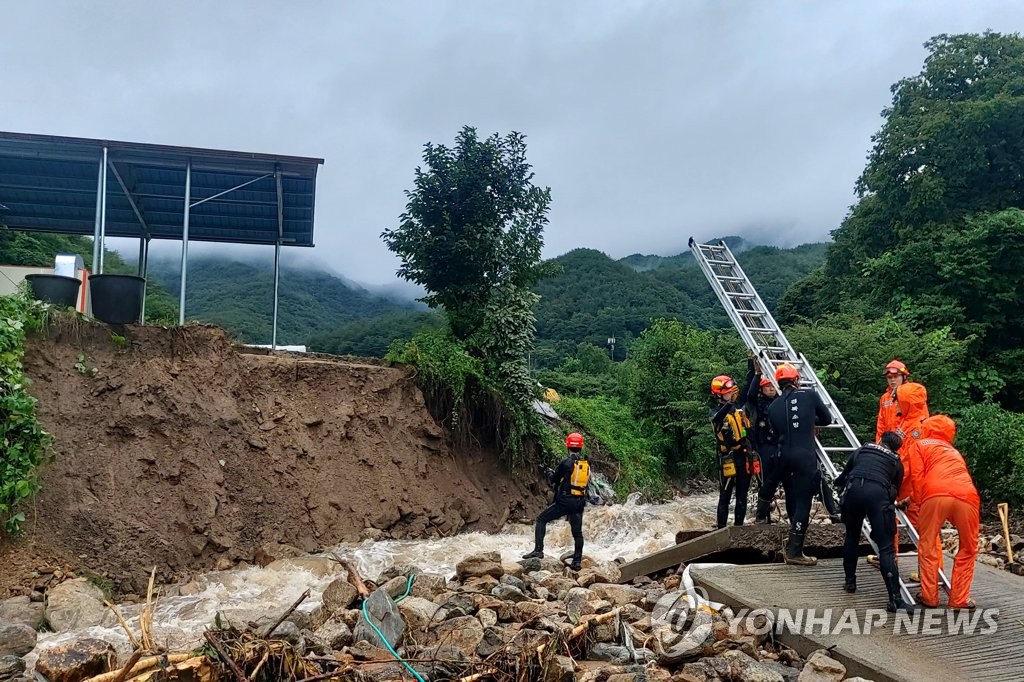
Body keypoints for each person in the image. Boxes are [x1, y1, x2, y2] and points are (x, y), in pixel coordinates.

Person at [756, 363, 833, 565]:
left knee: (773, 481)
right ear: (797, 380)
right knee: (803, 501)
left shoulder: (773, 406)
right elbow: (826, 419)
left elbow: (775, 428)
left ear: (779, 383)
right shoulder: (810, 395)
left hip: (782, 454)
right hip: (804, 456)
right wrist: (808, 420)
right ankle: (794, 551)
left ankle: (760, 512)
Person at [834, 431, 914, 613]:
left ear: (880, 440)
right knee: (886, 548)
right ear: (896, 448)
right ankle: (895, 600)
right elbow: (894, 492)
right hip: (877, 495)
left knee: (852, 536)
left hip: (854, 491)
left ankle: (850, 582)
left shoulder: (862, 450)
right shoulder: (896, 462)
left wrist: (838, 486)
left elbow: (844, 476)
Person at [914, 415, 980, 610]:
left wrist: (918, 502)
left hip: (935, 494)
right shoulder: (954, 451)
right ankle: (959, 600)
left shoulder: (920, 444)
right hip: (967, 495)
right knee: (968, 549)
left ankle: (930, 597)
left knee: (927, 545)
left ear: (927, 428)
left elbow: (917, 477)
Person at [523, 432, 592, 570]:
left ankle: (538, 550)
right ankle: (577, 561)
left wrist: (548, 473)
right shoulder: (585, 464)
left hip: (565, 501)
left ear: (568, 446)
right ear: (581, 447)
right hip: (579, 501)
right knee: (577, 533)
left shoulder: (566, 462)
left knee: (541, 519)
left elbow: (553, 479)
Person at [743, 354, 786, 521]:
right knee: (765, 482)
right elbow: (750, 394)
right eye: (767, 386)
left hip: (779, 445)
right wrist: (757, 374)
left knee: (785, 479)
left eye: (772, 385)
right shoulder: (757, 403)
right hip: (764, 447)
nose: (770, 388)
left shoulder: (780, 400)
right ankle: (764, 516)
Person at [710, 374, 752, 528]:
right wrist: (729, 403)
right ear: (719, 393)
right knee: (725, 495)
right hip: (727, 457)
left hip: (742, 455)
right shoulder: (715, 410)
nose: (731, 392)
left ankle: (739, 527)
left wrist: (754, 370)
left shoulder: (737, 405)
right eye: (728, 390)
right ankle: (721, 528)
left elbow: (748, 389)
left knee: (742, 494)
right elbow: (717, 420)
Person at [876, 360, 910, 443]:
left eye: (896, 376)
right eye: (890, 377)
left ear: (904, 377)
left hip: (906, 440)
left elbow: (914, 420)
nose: (892, 380)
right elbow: (881, 423)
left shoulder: (911, 394)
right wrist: (879, 443)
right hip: (889, 442)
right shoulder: (885, 398)